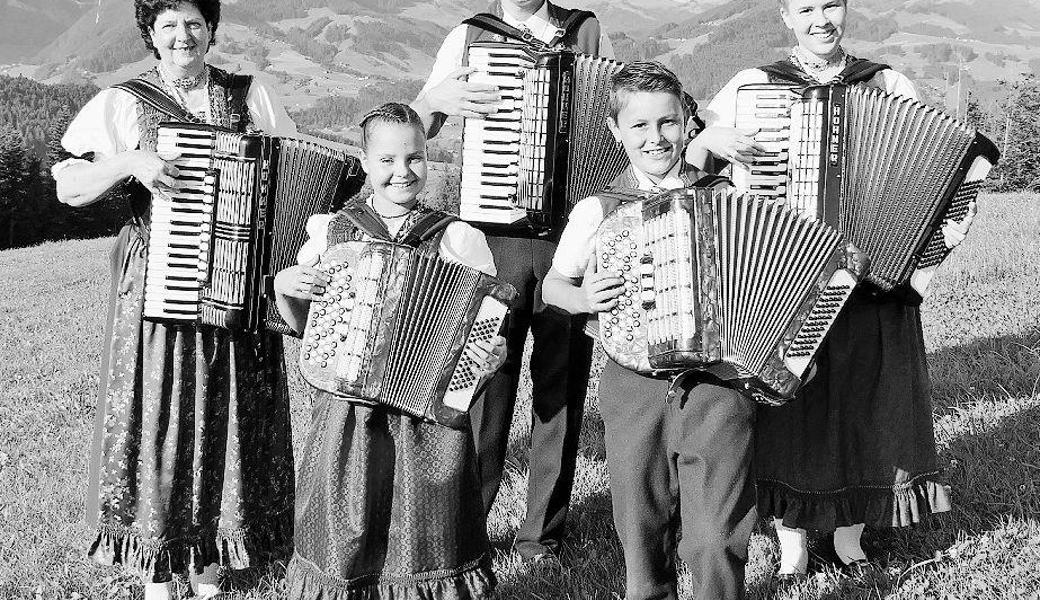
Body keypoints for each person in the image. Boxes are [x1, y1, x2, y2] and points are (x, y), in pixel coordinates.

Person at [689, 0, 974, 578]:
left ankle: (850, 530)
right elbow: (693, 162)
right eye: (805, 8)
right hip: (783, 271)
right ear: (784, 17)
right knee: (790, 400)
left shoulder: (888, 82)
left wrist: (925, 249)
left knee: (864, 402)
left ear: (846, 10)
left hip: (873, 276)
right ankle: (792, 533)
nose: (820, 19)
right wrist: (712, 138)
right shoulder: (753, 86)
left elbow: (940, 169)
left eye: (831, 5)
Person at [52, 1, 297, 598]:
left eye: (193, 22)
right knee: (161, 412)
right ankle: (160, 567)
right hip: (157, 278)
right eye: (168, 25)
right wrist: (129, 160)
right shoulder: (121, 102)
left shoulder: (251, 94)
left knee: (228, 407)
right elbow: (68, 187)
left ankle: (212, 557)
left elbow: (290, 173)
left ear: (211, 30)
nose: (182, 35)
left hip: (239, 277)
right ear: (150, 35)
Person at [275, 102, 508, 600]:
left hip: (428, 419)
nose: (402, 171)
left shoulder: (459, 237)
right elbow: (304, 330)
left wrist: (486, 360)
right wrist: (283, 288)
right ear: (364, 162)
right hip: (346, 411)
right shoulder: (331, 231)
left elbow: (486, 332)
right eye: (387, 160)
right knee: (344, 527)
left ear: (428, 156)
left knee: (427, 533)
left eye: (415, 158)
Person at [542, 61, 757, 600]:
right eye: (638, 126)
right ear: (616, 131)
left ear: (689, 123)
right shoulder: (598, 210)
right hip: (632, 388)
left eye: (667, 122)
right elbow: (552, 287)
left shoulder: (728, 197)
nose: (655, 138)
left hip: (719, 386)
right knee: (640, 530)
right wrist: (584, 298)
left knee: (715, 537)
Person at [411, 0, 613, 562]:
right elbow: (415, 130)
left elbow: (611, 127)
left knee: (562, 385)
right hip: (489, 238)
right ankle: (469, 520)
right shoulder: (470, 37)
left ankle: (541, 534)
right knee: (482, 380)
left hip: (565, 239)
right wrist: (432, 102)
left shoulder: (585, 30)